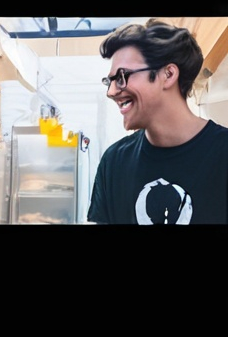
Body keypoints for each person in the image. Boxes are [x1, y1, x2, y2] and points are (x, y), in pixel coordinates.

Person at [87, 18, 228, 224]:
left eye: (122, 76)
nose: (112, 91)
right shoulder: (114, 163)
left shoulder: (222, 155)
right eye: (110, 81)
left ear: (168, 74)